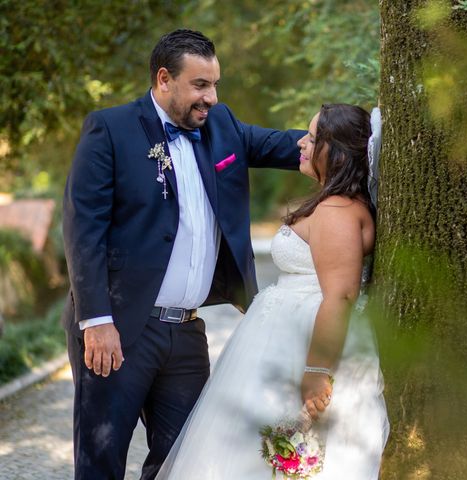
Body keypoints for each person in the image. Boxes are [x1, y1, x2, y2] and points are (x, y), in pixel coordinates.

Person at [62, 29, 304, 479]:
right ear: (163, 80)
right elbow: (83, 229)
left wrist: (361, 136)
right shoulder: (110, 129)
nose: (211, 97)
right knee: (102, 460)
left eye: (214, 85)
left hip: (188, 334)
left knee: (184, 462)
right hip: (120, 329)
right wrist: (96, 322)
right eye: (200, 85)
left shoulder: (223, 125)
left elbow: (290, 146)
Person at [156, 104, 389, 479]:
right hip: (285, 341)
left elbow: (340, 296)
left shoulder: (337, 211)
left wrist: (316, 372)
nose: (301, 142)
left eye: (313, 138)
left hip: (306, 348)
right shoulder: (332, 203)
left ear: (338, 152)